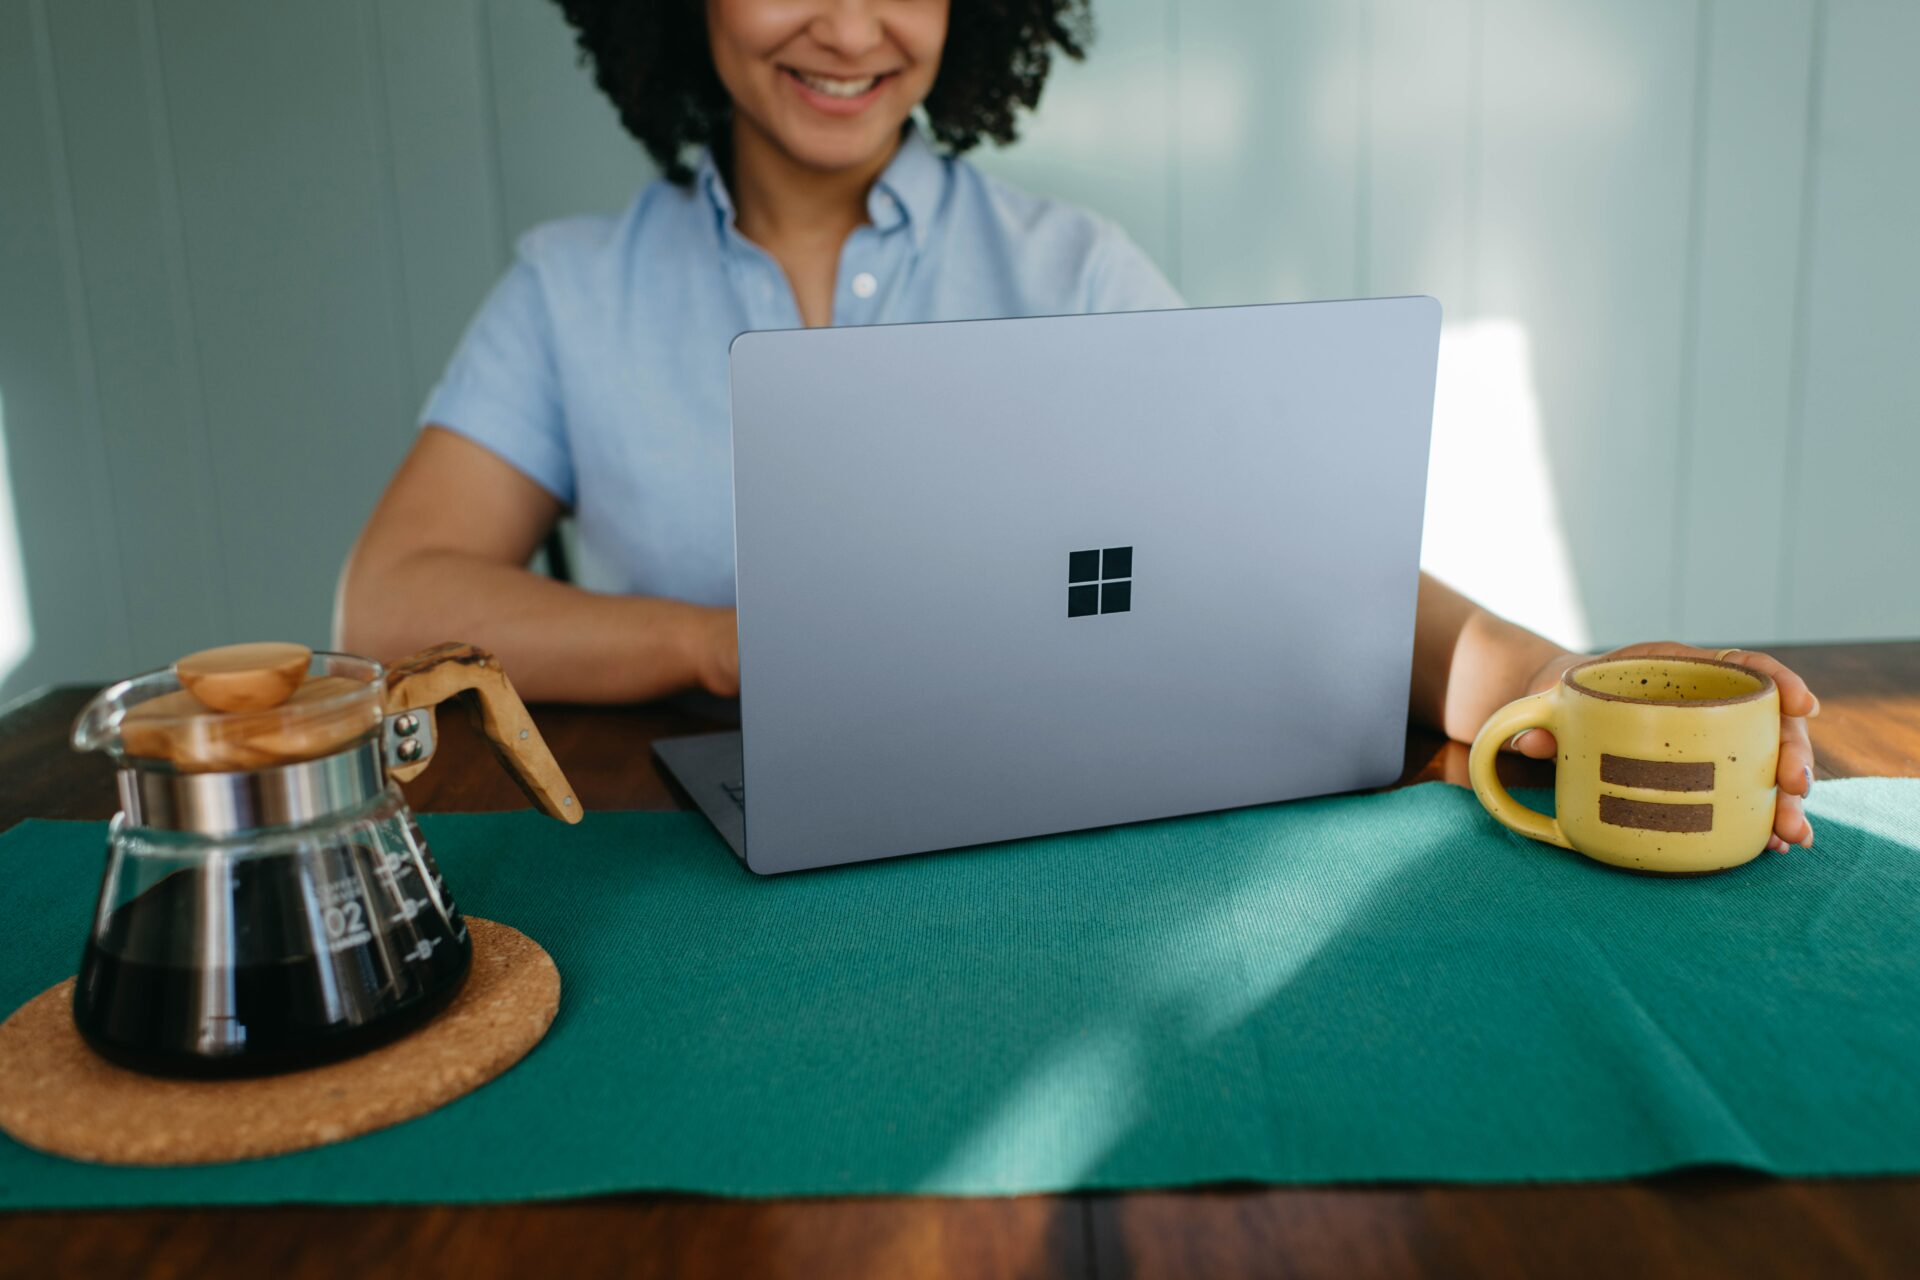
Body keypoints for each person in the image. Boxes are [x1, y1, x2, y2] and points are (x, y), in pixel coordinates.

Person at [336, 0, 1818, 852]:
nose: (848, 26)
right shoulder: (570, 290)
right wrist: (719, 643)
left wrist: (1567, 685)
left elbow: (1297, 570)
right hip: (686, 866)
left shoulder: (1075, 270)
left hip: (1050, 855)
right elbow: (393, 602)